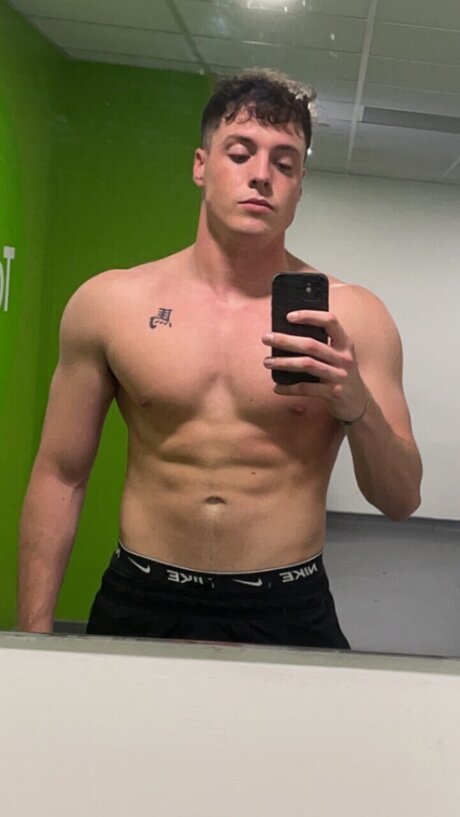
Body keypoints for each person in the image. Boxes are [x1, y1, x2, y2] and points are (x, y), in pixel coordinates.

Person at [17, 69, 422, 648]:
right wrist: (32, 638)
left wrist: (357, 406)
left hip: (287, 604)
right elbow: (60, 475)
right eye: (240, 153)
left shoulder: (355, 317)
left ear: (299, 187)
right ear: (201, 165)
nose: (261, 175)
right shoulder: (111, 303)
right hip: (143, 595)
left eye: (285, 163)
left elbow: (401, 500)